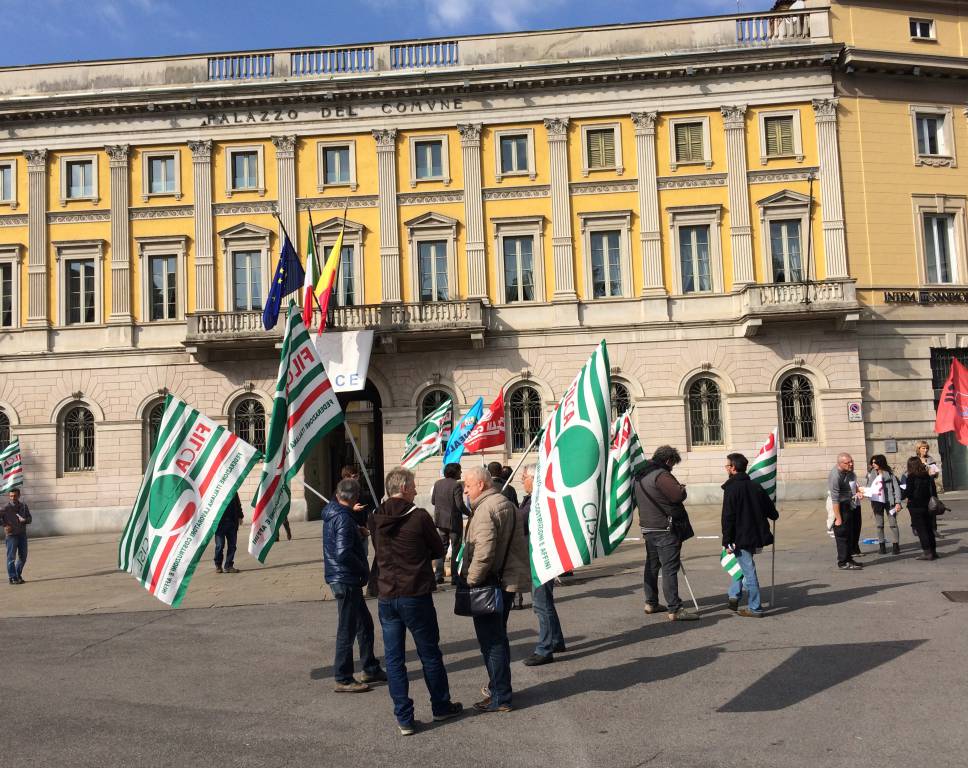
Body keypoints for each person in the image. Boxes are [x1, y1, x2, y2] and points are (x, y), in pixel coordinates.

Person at [369, 467, 463, 735]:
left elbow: (378, 547)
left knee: (394, 659)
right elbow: (437, 548)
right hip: (415, 593)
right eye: (412, 485)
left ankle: (403, 717)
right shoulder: (419, 516)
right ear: (403, 488)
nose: (416, 490)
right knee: (429, 653)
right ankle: (441, 706)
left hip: (387, 594)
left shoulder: (375, 517)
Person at [460, 465, 531, 713]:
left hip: (490, 583)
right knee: (497, 637)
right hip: (505, 580)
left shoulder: (485, 509)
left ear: (480, 485)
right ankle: (498, 688)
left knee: (492, 642)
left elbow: (484, 552)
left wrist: (471, 580)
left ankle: (500, 695)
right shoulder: (504, 502)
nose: (465, 491)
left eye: (467, 486)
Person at [322, 478, 386, 693]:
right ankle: (343, 677)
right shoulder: (342, 518)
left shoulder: (336, 513)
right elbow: (342, 553)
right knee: (347, 629)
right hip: (346, 579)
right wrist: (362, 568)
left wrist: (356, 533)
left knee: (364, 624)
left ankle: (370, 667)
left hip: (343, 578)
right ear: (355, 497)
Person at [633, 445, 698, 621]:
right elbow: (677, 496)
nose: (672, 467)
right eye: (673, 464)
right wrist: (681, 488)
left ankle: (651, 602)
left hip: (648, 526)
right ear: (668, 460)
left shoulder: (640, 474)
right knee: (669, 568)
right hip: (665, 528)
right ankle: (675, 609)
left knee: (652, 566)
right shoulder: (661, 475)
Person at [721, 453, 779, 618]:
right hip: (754, 535)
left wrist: (727, 540)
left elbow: (728, 517)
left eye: (727, 465)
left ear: (733, 468)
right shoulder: (756, 486)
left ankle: (755, 607)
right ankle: (734, 594)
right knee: (743, 565)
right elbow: (773, 513)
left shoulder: (732, 488)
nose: (726, 468)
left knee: (749, 571)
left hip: (741, 537)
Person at [521, 464, 566, 665]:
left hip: (540, 558)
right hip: (540, 557)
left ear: (534, 478)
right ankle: (556, 640)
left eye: (524, 477)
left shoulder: (537, 502)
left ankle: (545, 648)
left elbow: (521, 522)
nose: (522, 481)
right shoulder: (534, 499)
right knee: (544, 602)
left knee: (541, 605)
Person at [431, 463, 468, 585]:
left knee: (441, 548)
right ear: (455, 472)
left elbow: (433, 501)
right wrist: (470, 513)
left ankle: (438, 575)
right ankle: (454, 577)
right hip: (454, 522)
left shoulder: (437, 484)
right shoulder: (456, 485)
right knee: (456, 549)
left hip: (440, 521)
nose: (461, 473)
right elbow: (459, 504)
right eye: (460, 471)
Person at [829, 453, 864, 570]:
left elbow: (853, 486)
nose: (851, 464)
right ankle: (843, 562)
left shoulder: (850, 472)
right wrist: (838, 518)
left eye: (852, 461)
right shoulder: (835, 476)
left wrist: (857, 492)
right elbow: (835, 499)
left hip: (849, 504)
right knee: (842, 533)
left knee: (850, 533)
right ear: (840, 464)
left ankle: (849, 559)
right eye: (848, 462)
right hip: (840, 505)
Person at [902, 456, 940, 561]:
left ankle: (927, 552)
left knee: (921, 529)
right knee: (929, 528)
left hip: (915, 506)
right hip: (927, 505)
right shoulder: (927, 476)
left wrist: (902, 495)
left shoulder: (911, 477)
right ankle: (933, 551)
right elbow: (933, 490)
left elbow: (909, 492)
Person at [867, 455, 902, 555]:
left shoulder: (889, 474)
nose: (873, 464)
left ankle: (896, 545)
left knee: (893, 524)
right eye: (872, 463)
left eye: (875, 463)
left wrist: (898, 502)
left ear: (880, 463)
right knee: (879, 525)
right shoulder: (871, 474)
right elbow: (869, 487)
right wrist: (867, 495)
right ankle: (882, 546)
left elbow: (896, 488)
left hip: (890, 502)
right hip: (877, 502)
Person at [2, 488, 31, 585]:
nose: (13, 498)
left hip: (22, 535)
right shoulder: (5, 508)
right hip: (11, 536)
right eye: (11, 496)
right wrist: (5, 525)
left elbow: (30, 518)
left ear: (19, 496)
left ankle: (17, 575)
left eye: (15, 496)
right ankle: (12, 577)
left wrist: (25, 520)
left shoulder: (23, 506)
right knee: (11, 558)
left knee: (23, 556)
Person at [915, 440, 942, 537]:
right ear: (919, 449)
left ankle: (934, 529)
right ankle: (917, 527)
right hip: (919, 487)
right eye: (923, 448)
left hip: (930, 486)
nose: (925, 450)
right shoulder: (915, 460)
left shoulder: (931, 459)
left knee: (933, 506)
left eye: (927, 448)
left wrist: (935, 473)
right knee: (920, 508)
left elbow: (936, 475)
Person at [214, 492, 244, 574]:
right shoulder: (217, 490)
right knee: (219, 545)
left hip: (232, 523)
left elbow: (238, 504)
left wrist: (240, 516)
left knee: (232, 546)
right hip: (219, 524)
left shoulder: (234, 490)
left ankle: (228, 566)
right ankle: (218, 565)